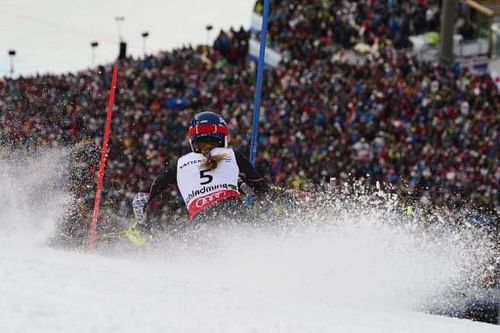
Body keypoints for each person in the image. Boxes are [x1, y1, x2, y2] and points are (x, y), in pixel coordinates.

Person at [128, 111, 269, 241]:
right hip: (234, 213)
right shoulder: (232, 155)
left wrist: (143, 225)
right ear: (223, 137)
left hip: (200, 223)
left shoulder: (179, 164)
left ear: (192, 139)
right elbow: (261, 189)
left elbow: (139, 201)